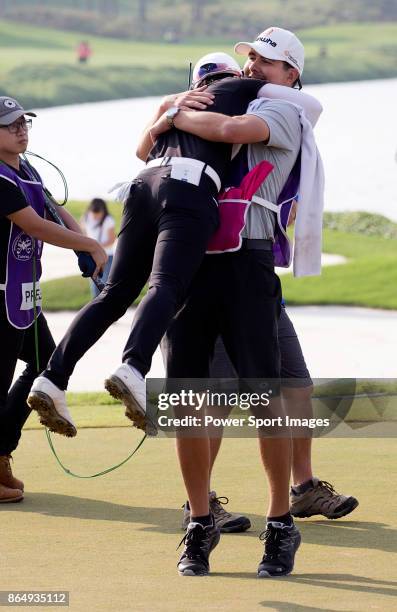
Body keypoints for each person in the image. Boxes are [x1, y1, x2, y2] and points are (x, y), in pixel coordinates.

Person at [148, 27, 326, 578]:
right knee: (187, 401)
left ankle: (279, 526)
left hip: (246, 262)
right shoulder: (233, 93)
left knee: (264, 399)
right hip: (194, 262)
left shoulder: (284, 112)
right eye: (251, 58)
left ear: (292, 74)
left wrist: (175, 111)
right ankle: (199, 524)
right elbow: (147, 151)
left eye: (268, 63)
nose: (254, 68)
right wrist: (165, 115)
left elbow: (227, 129)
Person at [27, 58, 272, 437]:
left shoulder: (179, 102)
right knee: (166, 285)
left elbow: (142, 152)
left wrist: (166, 109)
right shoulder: (242, 88)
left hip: (142, 186)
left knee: (114, 293)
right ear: (233, 74)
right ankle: (133, 367)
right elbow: (293, 98)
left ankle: (53, 379)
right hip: (188, 189)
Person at [0, 96, 107, 502]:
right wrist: (90, 244)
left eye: (24, 123)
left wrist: (84, 245)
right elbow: (33, 224)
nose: (21, 130)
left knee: (47, 363)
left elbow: (54, 211)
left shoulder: (24, 167)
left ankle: (1, 450)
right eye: (10, 125)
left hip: (22, 295)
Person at [81, 198, 116, 297]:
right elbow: (83, 233)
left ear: (103, 211)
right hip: (91, 256)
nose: (96, 217)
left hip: (106, 256)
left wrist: (96, 246)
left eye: (98, 214)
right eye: (94, 214)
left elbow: (111, 240)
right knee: (94, 285)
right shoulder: (86, 218)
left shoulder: (108, 220)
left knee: (104, 284)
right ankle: (96, 308)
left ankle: (105, 308)